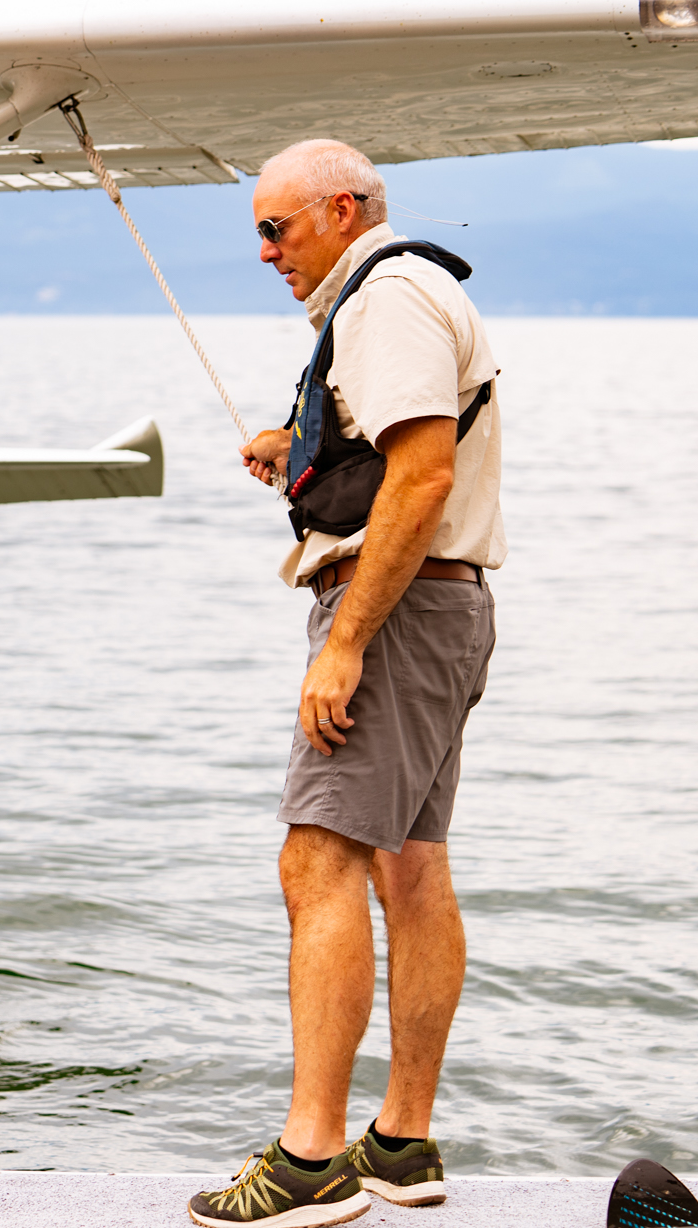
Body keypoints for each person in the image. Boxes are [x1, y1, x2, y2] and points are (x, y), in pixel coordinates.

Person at [187, 139, 503, 1228]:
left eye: (275, 228)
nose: (265, 251)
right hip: (443, 607)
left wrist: (344, 642)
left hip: (398, 612)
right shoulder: (390, 300)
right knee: (409, 866)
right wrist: (299, 441)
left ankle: (310, 1157)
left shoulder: (387, 300)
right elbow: (397, 449)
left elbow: (421, 475)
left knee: (314, 858)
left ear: (337, 208)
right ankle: (402, 1145)